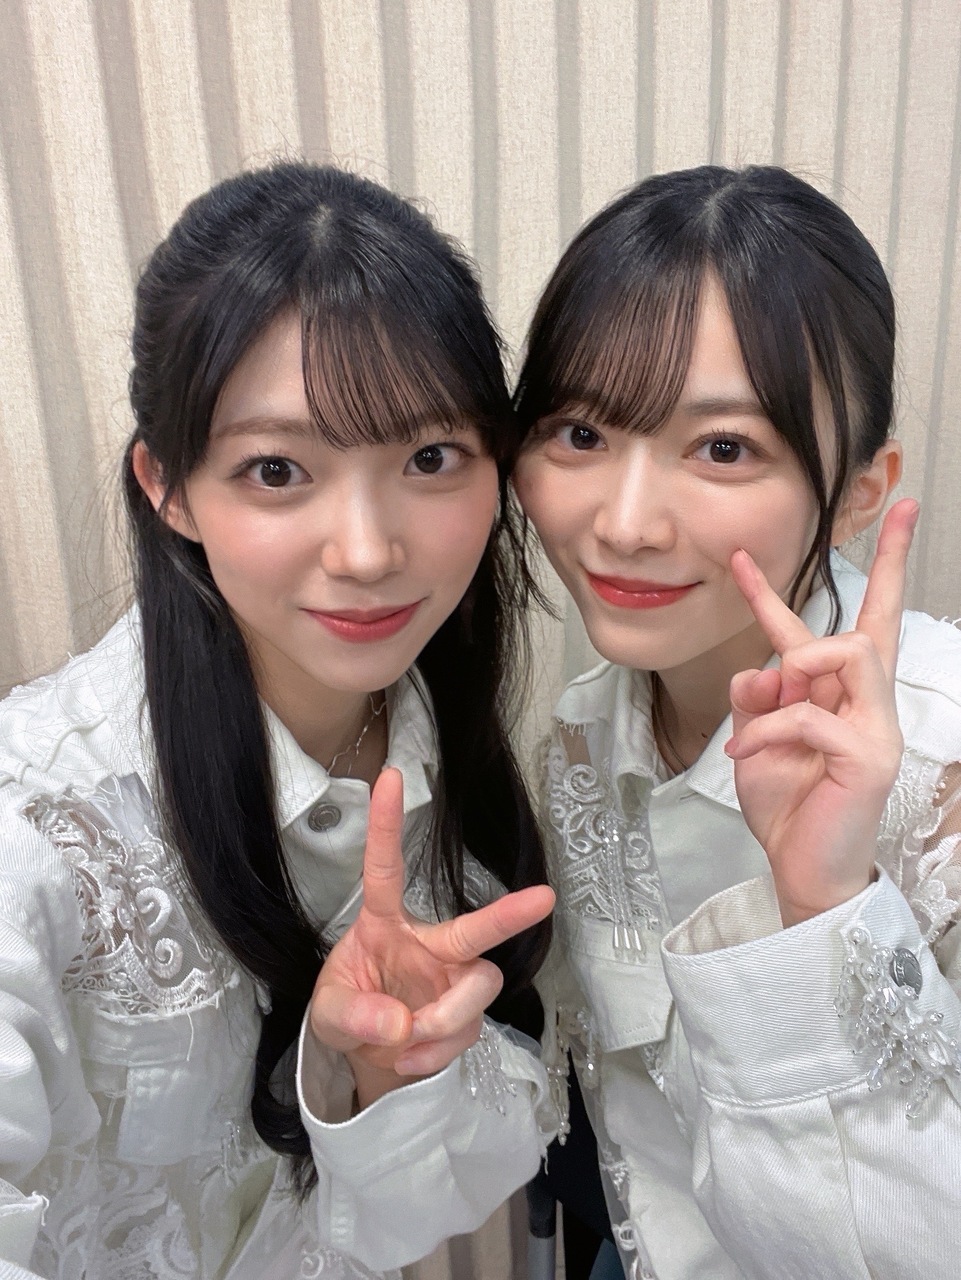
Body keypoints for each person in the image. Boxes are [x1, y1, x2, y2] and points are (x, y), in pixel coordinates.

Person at [0, 161, 557, 1280]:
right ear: (167, 485)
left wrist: (379, 1083)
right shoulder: (40, 826)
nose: (367, 550)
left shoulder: (451, 759)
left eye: (429, 457)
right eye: (276, 469)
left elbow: (408, 1221)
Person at [513, 165, 961, 1279]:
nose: (623, 523)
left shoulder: (943, 762)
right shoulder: (580, 735)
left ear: (858, 491)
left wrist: (825, 911)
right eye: (579, 432)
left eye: (722, 448)